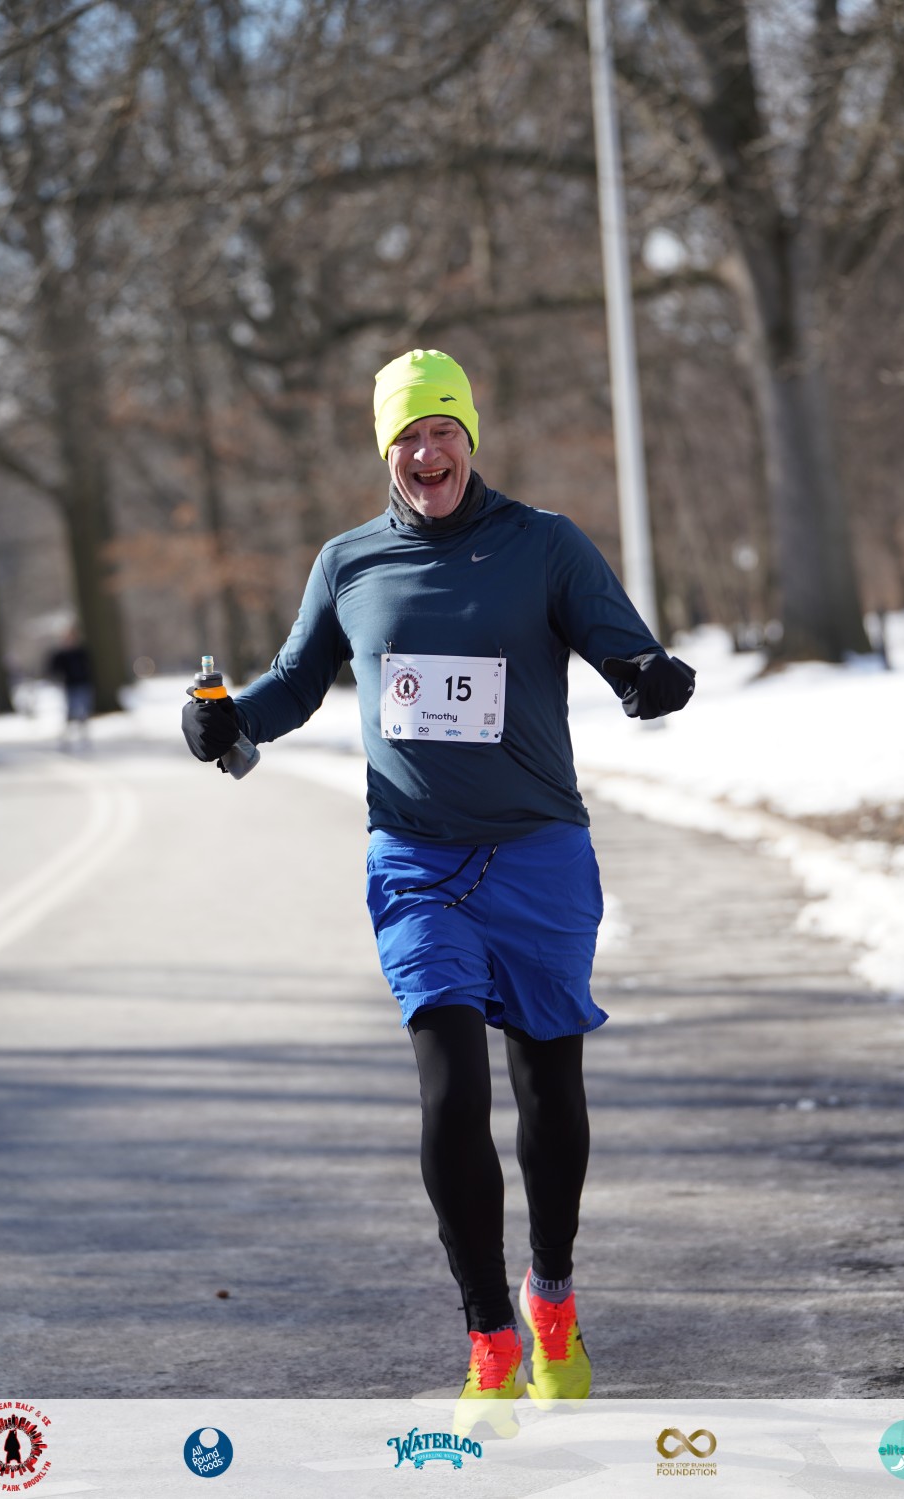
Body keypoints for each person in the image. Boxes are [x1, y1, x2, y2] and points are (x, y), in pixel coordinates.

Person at [181, 349, 695, 1419]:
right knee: (452, 1091)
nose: (426, 454)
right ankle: (490, 1337)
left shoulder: (544, 544)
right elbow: (294, 683)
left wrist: (649, 677)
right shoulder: (348, 563)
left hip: (539, 853)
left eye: (443, 431)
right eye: (407, 436)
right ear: (386, 451)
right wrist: (226, 720)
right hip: (416, 859)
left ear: (471, 438)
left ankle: (552, 1295)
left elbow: (623, 649)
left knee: (548, 1094)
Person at [46, 626, 94, 744]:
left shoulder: (81, 652)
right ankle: (68, 732)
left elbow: (88, 665)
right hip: (70, 684)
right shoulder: (61, 654)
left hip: (83, 683)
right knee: (71, 709)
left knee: (84, 707)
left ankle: (83, 730)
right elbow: (53, 668)